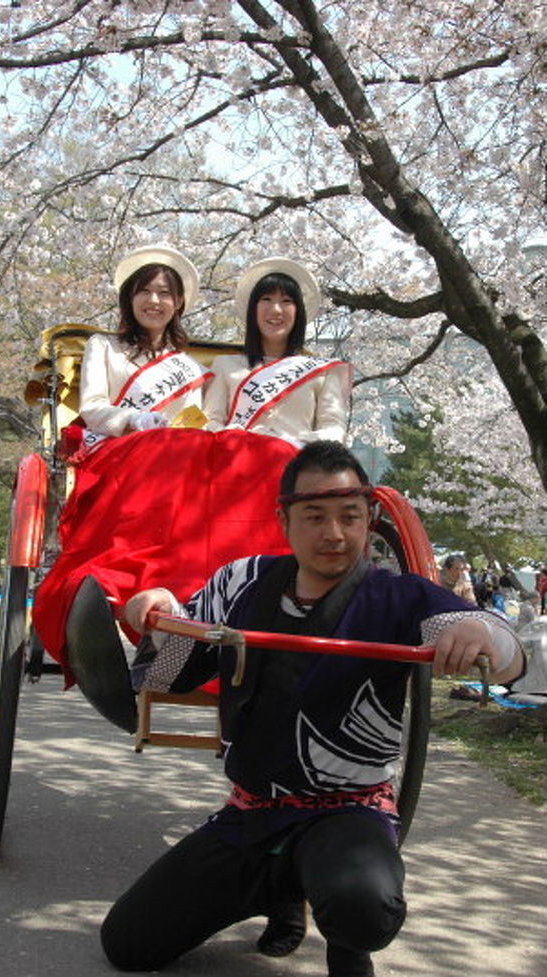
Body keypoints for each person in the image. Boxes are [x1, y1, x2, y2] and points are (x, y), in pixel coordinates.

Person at [99, 441, 524, 977]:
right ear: (283, 520)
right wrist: (158, 611)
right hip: (251, 814)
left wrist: (477, 631)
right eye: (315, 517)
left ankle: (346, 939)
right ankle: (280, 890)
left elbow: (506, 655)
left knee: (363, 906)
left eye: (350, 517)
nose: (335, 535)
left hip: (350, 812)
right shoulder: (242, 581)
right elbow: (168, 674)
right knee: (128, 943)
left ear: (370, 519)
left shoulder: (401, 597)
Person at [203, 257, 352, 446]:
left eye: (286, 301)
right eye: (266, 299)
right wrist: (235, 437)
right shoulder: (225, 365)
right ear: (253, 310)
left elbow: (334, 430)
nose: (276, 309)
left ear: (298, 312)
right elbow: (210, 421)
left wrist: (291, 442)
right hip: (238, 468)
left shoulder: (322, 373)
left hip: (297, 469)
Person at [79, 244, 211, 447]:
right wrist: (133, 419)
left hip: (170, 457)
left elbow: (192, 426)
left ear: (178, 302)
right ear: (130, 298)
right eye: (144, 291)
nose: (154, 300)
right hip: (114, 453)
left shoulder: (189, 368)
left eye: (164, 293)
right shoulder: (103, 346)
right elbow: (91, 407)